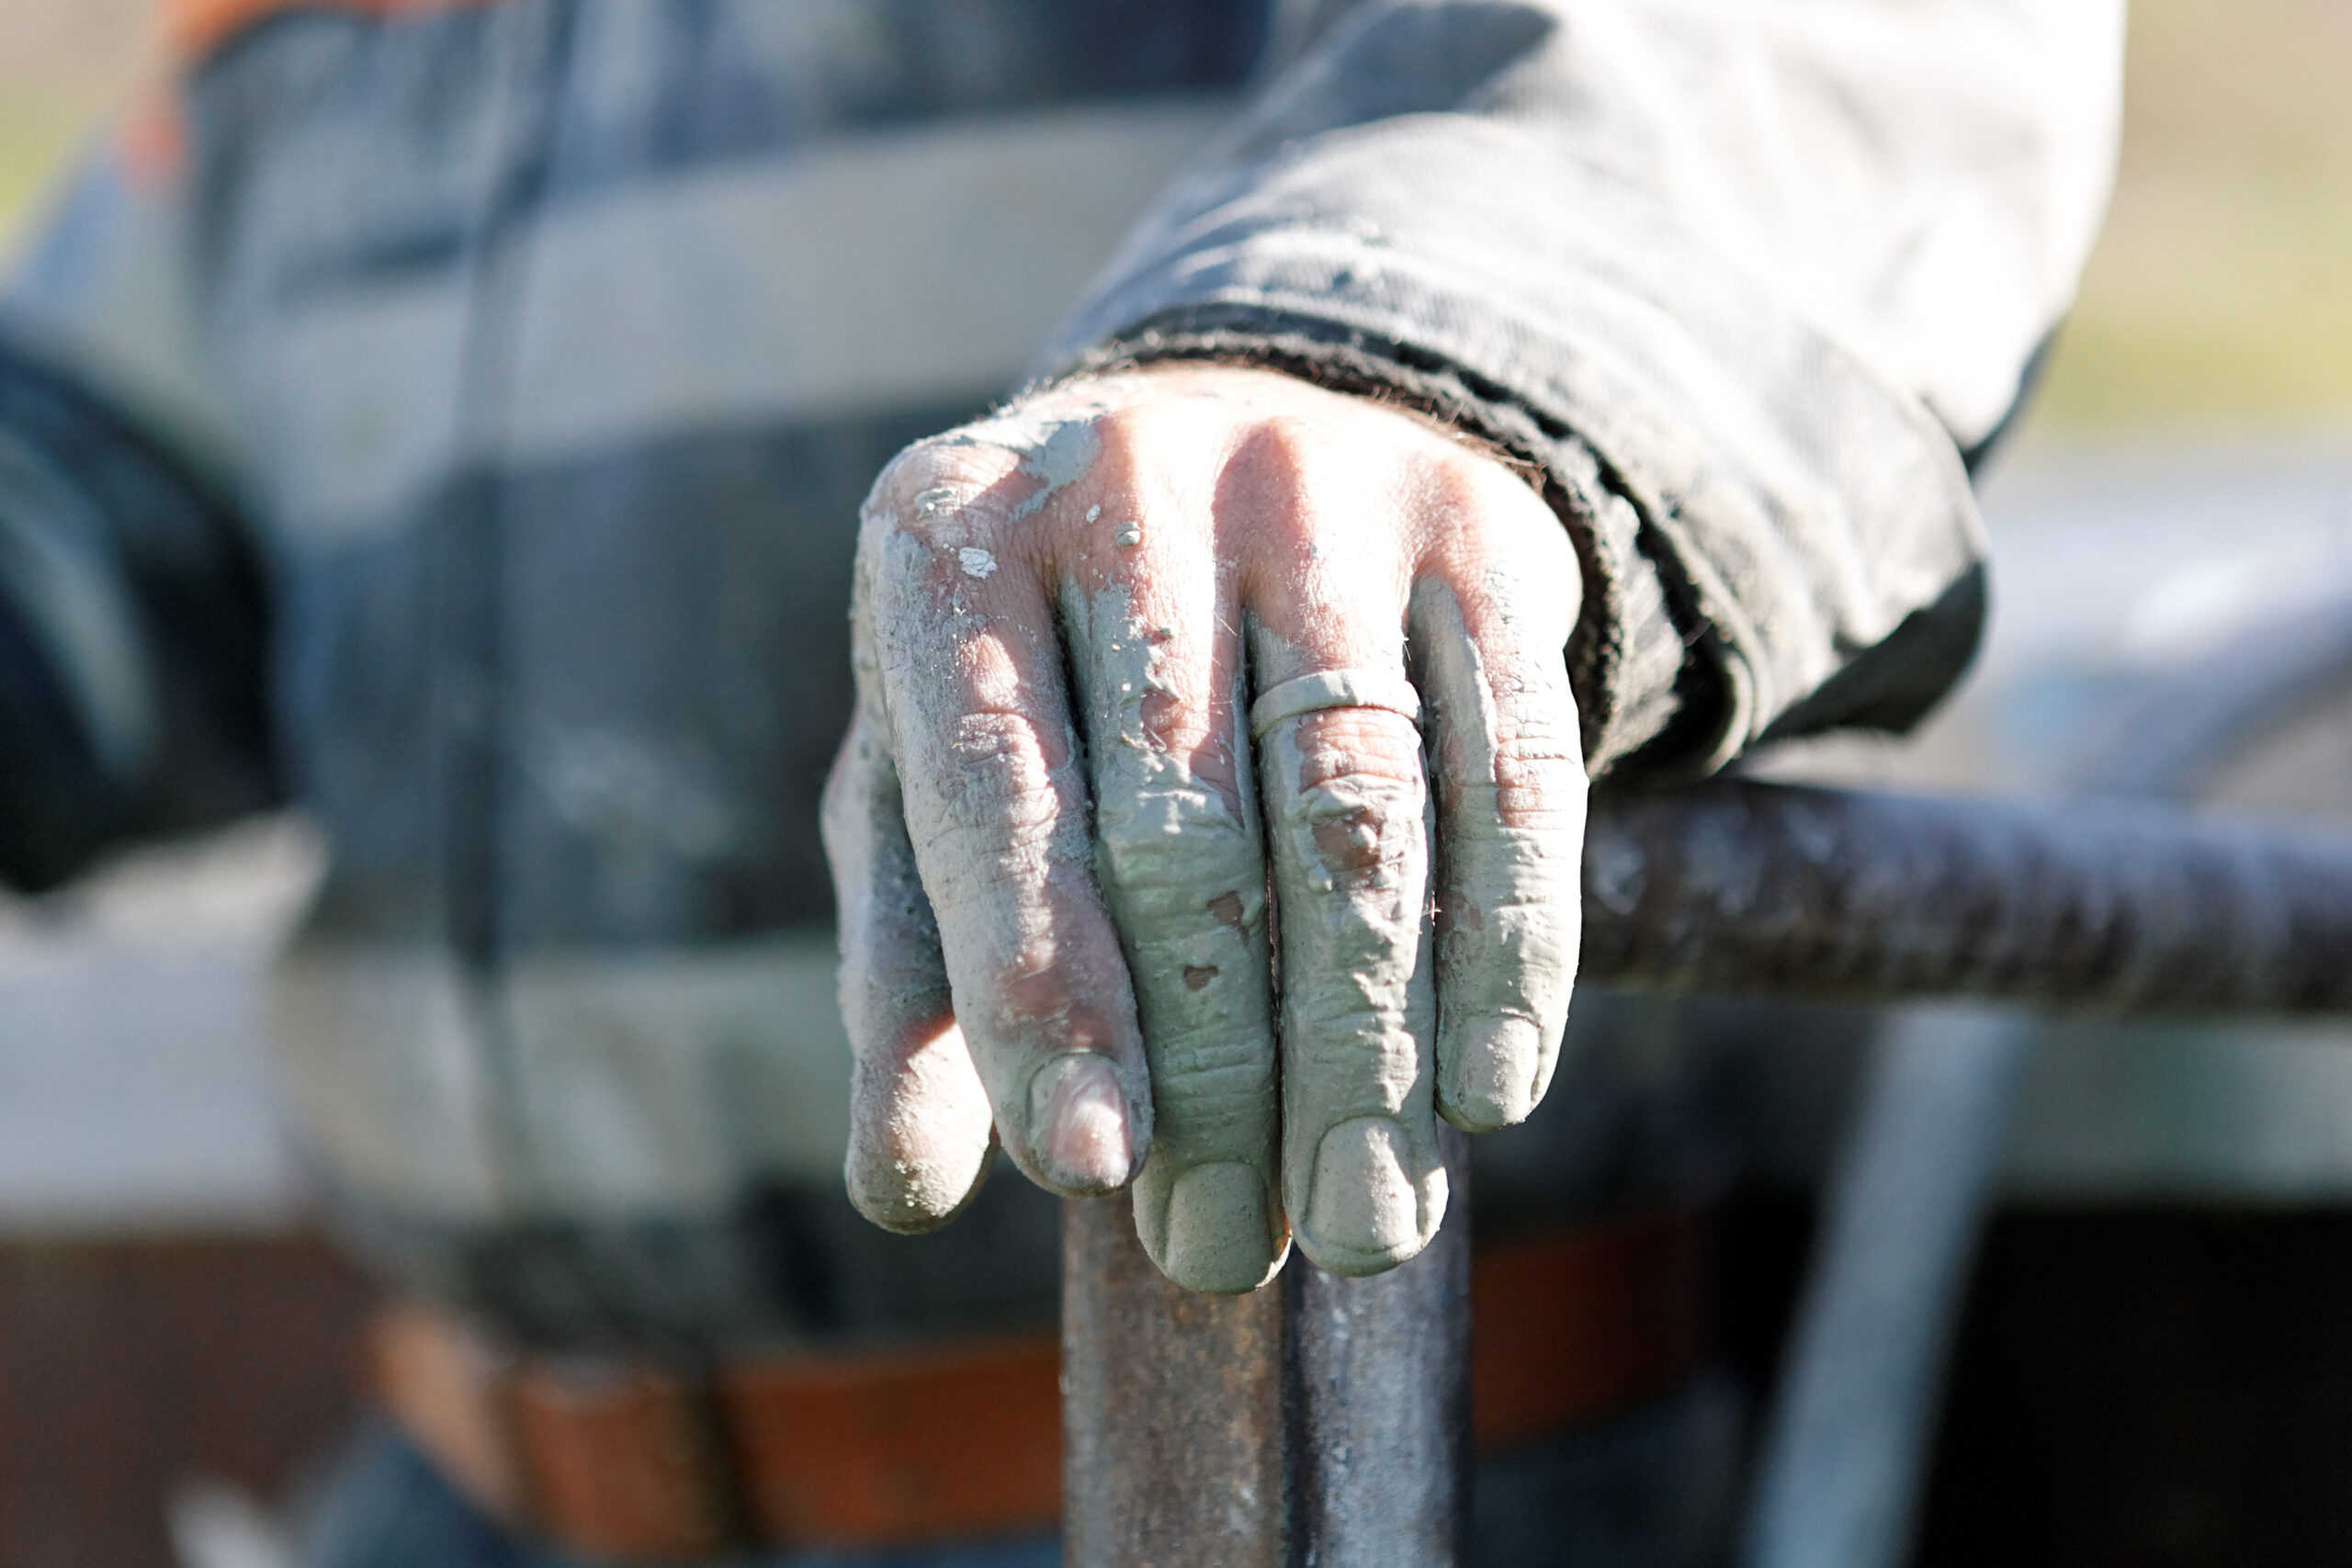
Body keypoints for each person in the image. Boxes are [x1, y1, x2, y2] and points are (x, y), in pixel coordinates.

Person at [0, 0, 2121, 1562]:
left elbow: (1748, 81)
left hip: (1314, 1478)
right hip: (460, 1495)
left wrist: (1361, 362)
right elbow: (100, 506)